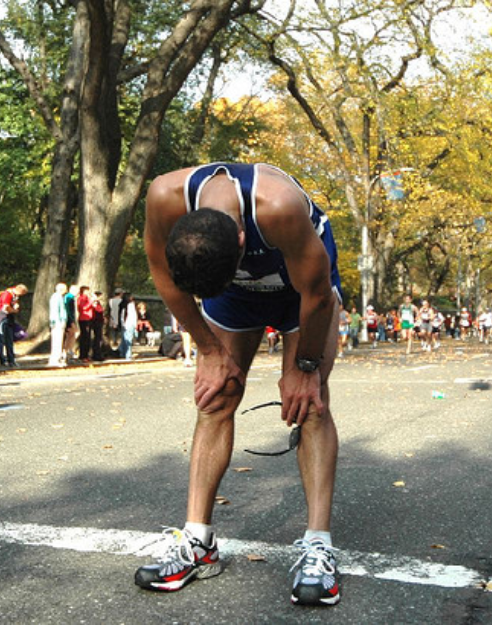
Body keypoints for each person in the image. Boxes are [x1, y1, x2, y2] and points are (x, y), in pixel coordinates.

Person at [138, 162, 343, 606]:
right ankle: (198, 543)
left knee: (309, 404)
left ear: (243, 240)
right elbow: (163, 277)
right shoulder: (162, 196)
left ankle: (318, 546)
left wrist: (304, 366)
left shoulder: (278, 206)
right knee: (216, 397)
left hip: (302, 290)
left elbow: (319, 296)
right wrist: (210, 350)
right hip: (234, 297)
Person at [0, 284, 28, 367]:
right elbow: (5, 307)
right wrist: (13, 310)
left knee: (9, 339)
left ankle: (11, 359)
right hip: (2, 317)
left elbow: (14, 303)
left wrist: (16, 306)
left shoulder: (15, 295)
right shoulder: (7, 294)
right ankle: (2, 360)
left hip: (10, 318)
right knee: (1, 339)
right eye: (22, 294)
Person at [48, 282, 68, 367]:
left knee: (58, 341)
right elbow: (56, 310)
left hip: (57, 321)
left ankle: (56, 358)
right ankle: (55, 359)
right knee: (57, 341)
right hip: (58, 322)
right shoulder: (57, 297)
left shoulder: (57, 296)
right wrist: (60, 321)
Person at [117, 292, 138, 360]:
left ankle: (122, 353)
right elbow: (133, 316)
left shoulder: (122, 305)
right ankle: (128, 355)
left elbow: (122, 315)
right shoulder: (131, 305)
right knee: (129, 340)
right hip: (130, 324)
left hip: (124, 324)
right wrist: (135, 324)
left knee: (124, 339)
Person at [63, 285, 79, 362]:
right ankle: (68, 351)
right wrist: (72, 321)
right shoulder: (70, 297)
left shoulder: (68, 297)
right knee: (73, 334)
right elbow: (68, 310)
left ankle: (67, 351)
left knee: (71, 335)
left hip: (70, 319)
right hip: (69, 320)